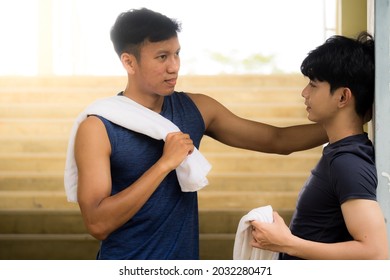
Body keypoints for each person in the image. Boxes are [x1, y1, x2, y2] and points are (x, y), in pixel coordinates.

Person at [71, 7, 327, 260]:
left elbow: (277, 140)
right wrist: (164, 164)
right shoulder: (99, 127)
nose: (174, 67)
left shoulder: (196, 109)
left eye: (177, 54)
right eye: (162, 57)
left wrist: (347, 122)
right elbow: (97, 224)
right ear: (129, 61)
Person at [251, 32, 389, 260]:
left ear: (343, 97)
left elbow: (375, 253)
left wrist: (286, 243)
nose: (304, 93)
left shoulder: (348, 162)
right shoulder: (342, 153)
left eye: (313, 85)